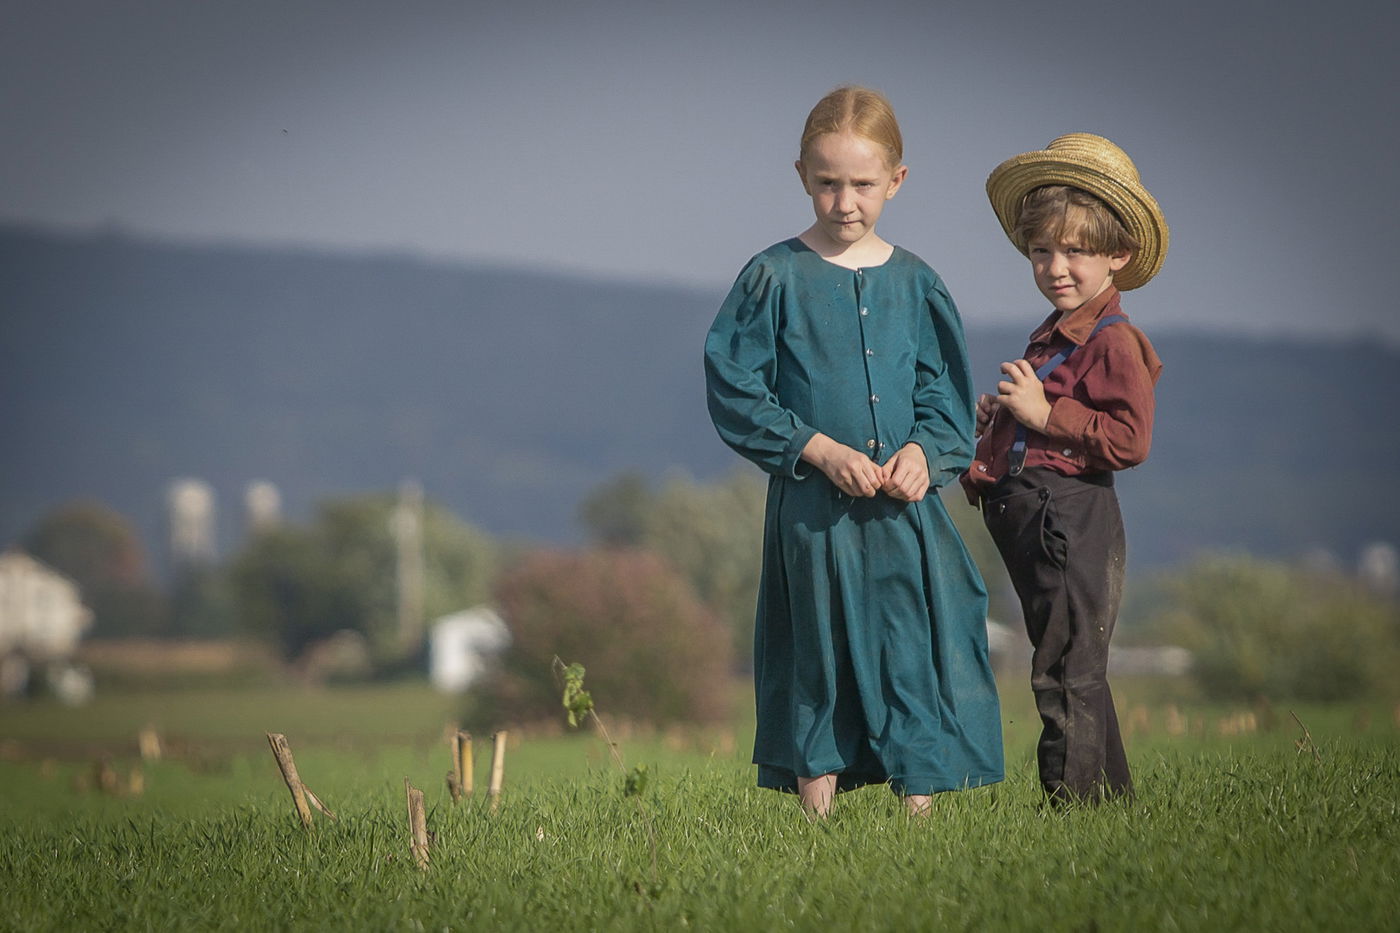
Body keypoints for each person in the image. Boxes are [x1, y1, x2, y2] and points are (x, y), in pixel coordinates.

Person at [704, 86, 1003, 817]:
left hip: (904, 516)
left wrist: (925, 455)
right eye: (829, 182)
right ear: (802, 174)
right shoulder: (771, 276)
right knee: (817, 650)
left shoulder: (918, 282)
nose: (845, 201)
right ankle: (816, 816)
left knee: (912, 649)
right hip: (813, 511)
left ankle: (920, 813)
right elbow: (734, 383)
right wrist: (812, 445)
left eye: (863, 184)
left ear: (896, 181)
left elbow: (943, 395)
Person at [962, 133, 1167, 804]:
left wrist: (1046, 414)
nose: (1057, 266)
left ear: (1118, 254)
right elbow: (1052, 418)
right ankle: (1112, 805)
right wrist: (1008, 419)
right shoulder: (1055, 331)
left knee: (1065, 670)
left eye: (1076, 251)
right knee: (1078, 663)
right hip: (1037, 514)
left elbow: (1130, 438)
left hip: (1068, 516)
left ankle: (1072, 812)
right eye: (1041, 250)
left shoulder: (1113, 340)